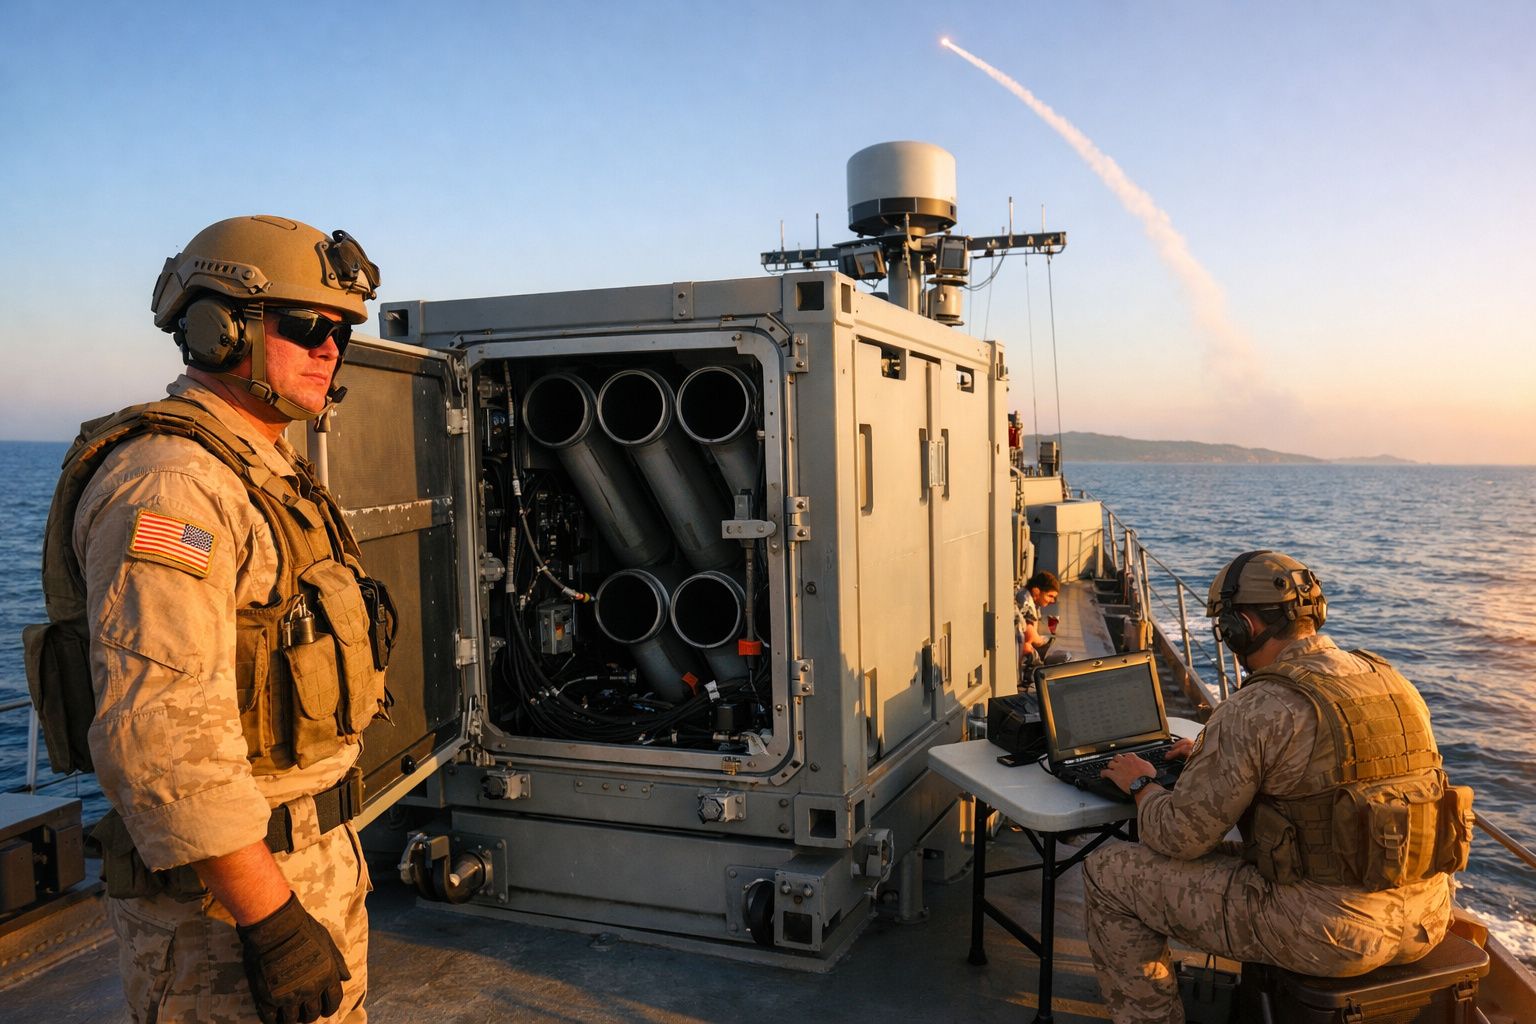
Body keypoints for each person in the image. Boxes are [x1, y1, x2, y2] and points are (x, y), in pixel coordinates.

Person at [26, 215, 392, 1023]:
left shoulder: (263, 471)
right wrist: (273, 923)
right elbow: (160, 737)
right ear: (217, 329)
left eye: (341, 332)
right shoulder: (171, 486)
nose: (331, 348)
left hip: (308, 866)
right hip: (224, 915)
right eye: (307, 326)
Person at [1082, 550, 1471, 1024]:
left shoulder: (1258, 705)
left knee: (1108, 872)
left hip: (1326, 935)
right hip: (1427, 919)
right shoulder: (1393, 680)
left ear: (1239, 626)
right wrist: (1210, 756)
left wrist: (1141, 783)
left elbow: (1177, 836)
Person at [1016, 570, 1060, 666]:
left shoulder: (1033, 602)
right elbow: (1029, 634)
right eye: (1050, 596)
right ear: (1036, 591)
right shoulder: (1025, 600)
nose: (1052, 601)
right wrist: (1043, 641)